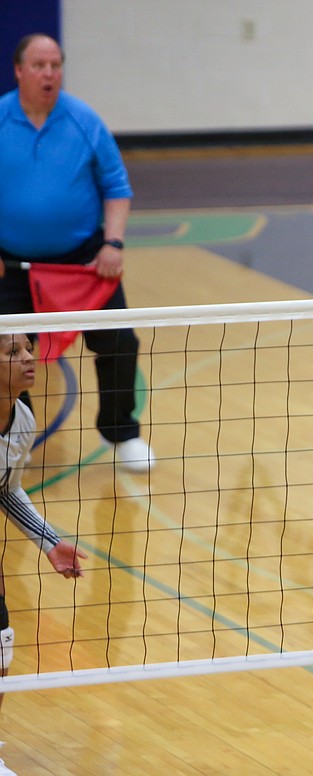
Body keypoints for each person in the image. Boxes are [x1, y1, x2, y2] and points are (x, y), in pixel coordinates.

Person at [0, 33, 155, 473]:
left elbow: (117, 189)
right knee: (7, 354)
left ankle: (122, 433)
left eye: (56, 65)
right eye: (39, 65)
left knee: (120, 343)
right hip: (10, 265)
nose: (49, 74)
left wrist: (113, 243)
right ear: (19, 70)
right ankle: (15, 441)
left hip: (84, 262)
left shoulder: (84, 121)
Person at [0, 333, 88, 776]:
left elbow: (6, 489)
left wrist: (50, 541)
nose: (29, 357)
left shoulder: (23, 419)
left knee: (0, 651)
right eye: (12, 352)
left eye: (28, 347)